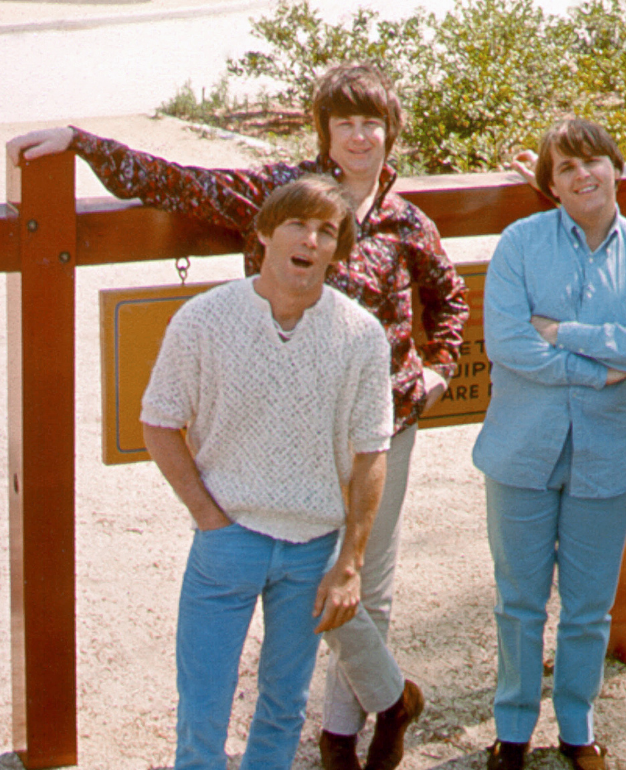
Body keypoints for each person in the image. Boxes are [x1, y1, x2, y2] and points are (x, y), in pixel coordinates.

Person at [8, 63, 468, 770]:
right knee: (315, 591)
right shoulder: (283, 194)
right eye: (344, 121)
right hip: (287, 433)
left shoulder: (408, 221)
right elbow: (181, 183)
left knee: (363, 587)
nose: (359, 135)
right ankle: (387, 697)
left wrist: (432, 374)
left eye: (371, 121)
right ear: (324, 132)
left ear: (391, 131)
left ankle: (345, 733)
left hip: (382, 422)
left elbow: (450, 302)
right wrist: (83, 142)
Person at [140, 176, 392, 770]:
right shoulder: (204, 319)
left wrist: (350, 562)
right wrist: (209, 517)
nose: (309, 240)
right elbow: (158, 422)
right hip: (228, 540)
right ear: (264, 234)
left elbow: (371, 452)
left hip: (312, 550)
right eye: (296, 225)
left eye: (326, 231)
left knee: (283, 705)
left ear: (338, 249)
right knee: (203, 706)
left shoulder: (360, 335)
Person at [474, 118, 626, 770]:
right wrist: (601, 367)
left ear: (615, 168)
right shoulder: (519, 244)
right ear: (551, 186)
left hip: (608, 457)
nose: (582, 174)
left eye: (593, 160)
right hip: (520, 452)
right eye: (566, 168)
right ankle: (512, 730)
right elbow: (508, 344)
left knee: (589, 607)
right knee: (519, 602)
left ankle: (576, 726)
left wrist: (562, 332)